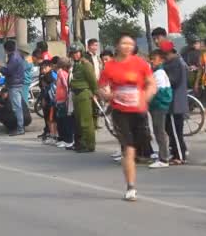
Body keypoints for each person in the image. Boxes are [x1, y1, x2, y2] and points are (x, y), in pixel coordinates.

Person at [98, 34, 157, 201]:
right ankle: (131, 186)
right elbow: (101, 87)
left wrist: (145, 97)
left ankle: (141, 156)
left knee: (142, 145)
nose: (127, 46)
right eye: (124, 43)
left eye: (130, 44)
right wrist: (107, 95)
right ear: (118, 45)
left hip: (139, 111)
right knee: (128, 149)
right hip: (120, 112)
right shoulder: (109, 66)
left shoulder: (140, 64)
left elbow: (151, 83)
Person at [161, 40, 189, 165]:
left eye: (164, 55)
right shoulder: (178, 61)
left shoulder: (175, 63)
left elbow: (173, 81)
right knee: (172, 130)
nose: (164, 58)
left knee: (175, 132)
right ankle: (176, 153)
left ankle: (180, 156)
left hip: (174, 103)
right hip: (176, 102)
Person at [69, 42, 98, 153]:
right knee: (78, 121)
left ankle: (89, 145)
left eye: (76, 52)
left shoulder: (86, 64)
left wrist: (95, 93)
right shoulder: (75, 64)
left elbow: (93, 81)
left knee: (86, 121)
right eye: (73, 53)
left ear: (81, 52)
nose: (75, 55)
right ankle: (81, 143)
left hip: (84, 93)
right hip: (76, 94)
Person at [148, 49, 173, 169]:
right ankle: (164, 155)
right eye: (151, 58)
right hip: (157, 105)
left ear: (161, 60)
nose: (152, 61)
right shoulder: (156, 72)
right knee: (159, 130)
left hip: (159, 106)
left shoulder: (159, 73)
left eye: (154, 59)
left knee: (159, 131)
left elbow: (157, 91)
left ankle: (164, 158)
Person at [0, 40, 26, 136]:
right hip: (17, 83)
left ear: (6, 49)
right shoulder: (16, 56)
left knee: (17, 107)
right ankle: (19, 127)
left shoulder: (13, 58)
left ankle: (20, 128)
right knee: (17, 106)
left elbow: (8, 71)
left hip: (14, 85)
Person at [55, 57, 75, 148]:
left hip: (64, 99)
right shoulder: (62, 73)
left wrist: (68, 97)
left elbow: (66, 85)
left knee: (65, 121)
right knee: (61, 121)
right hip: (60, 99)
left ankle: (68, 140)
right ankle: (64, 139)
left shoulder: (62, 73)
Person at [38, 60, 58, 143]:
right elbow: (43, 88)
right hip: (46, 100)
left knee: (51, 119)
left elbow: (51, 89)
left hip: (51, 100)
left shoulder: (51, 75)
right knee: (48, 118)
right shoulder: (43, 75)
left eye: (45, 68)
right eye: (42, 69)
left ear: (50, 67)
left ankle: (53, 134)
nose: (43, 70)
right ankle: (49, 132)